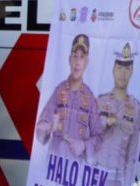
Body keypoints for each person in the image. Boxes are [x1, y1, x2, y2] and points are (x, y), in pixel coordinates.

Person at [35, 33, 102, 161]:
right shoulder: (58, 91)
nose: (77, 62)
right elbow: (40, 129)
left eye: (82, 57)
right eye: (75, 57)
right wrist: (49, 127)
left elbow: (99, 138)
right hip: (54, 166)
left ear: (87, 62)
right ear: (69, 59)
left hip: (76, 172)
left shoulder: (90, 97)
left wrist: (84, 145)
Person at [89, 42, 140, 186]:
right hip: (95, 175)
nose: (122, 74)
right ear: (113, 70)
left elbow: (132, 155)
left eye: (127, 68)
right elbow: (87, 133)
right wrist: (105, 122)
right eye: (119, 68)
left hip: (116, 180)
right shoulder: (100, 101)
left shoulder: (135, 108)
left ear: (131, 71)